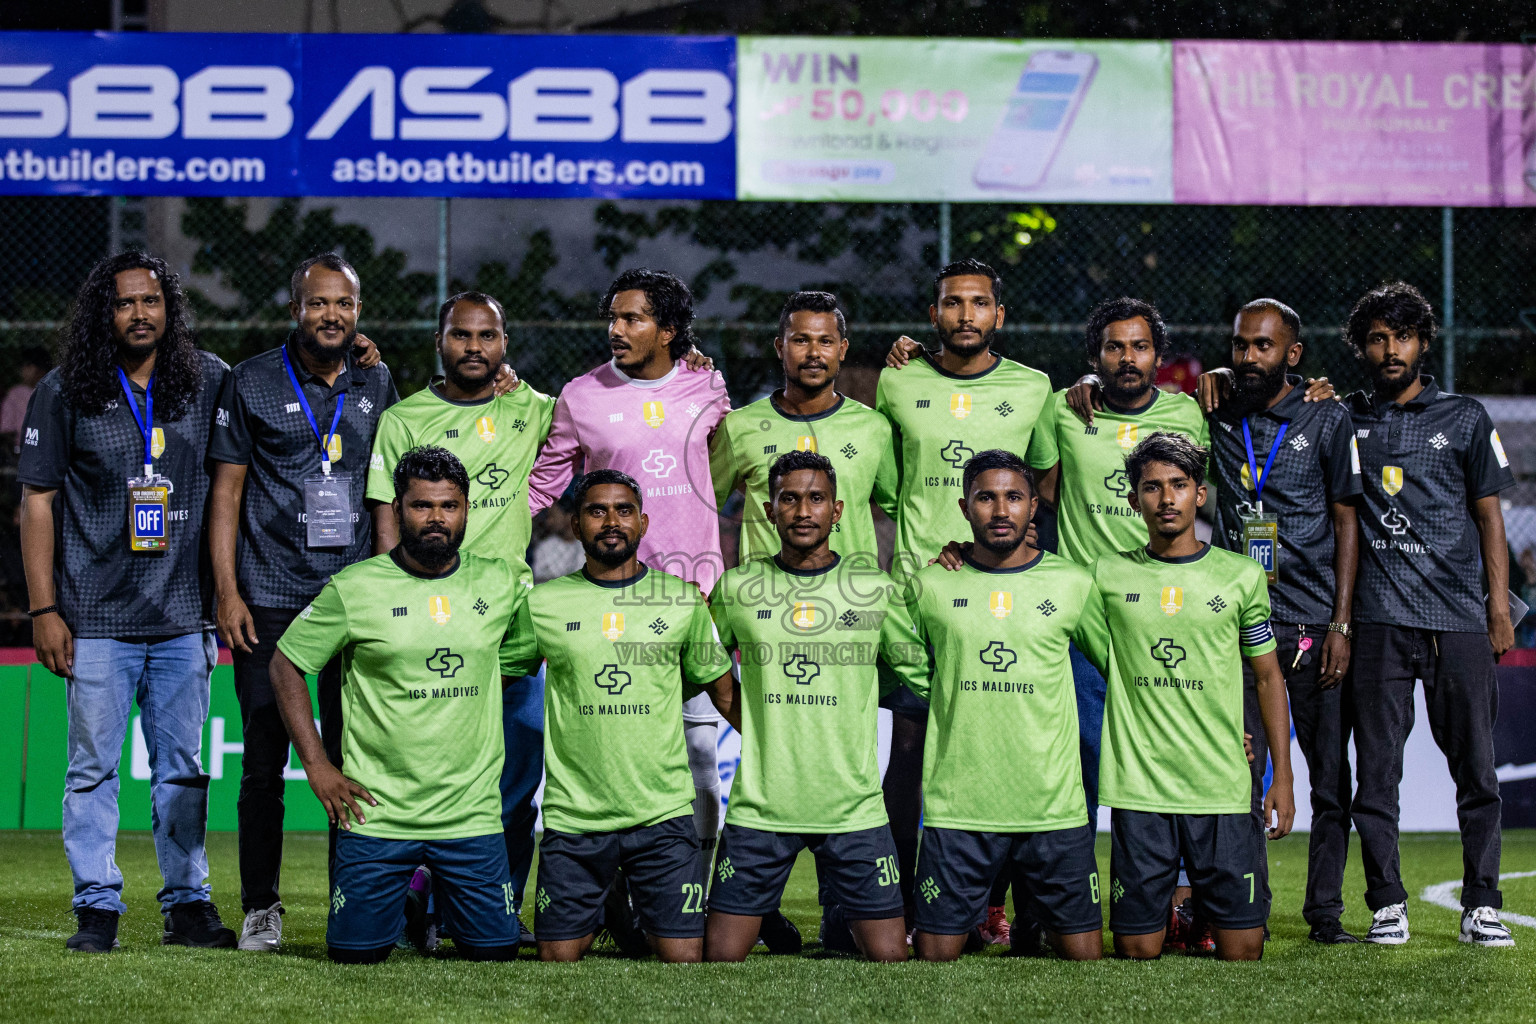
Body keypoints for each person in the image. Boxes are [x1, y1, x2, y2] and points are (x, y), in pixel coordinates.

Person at [18, 252, 235, 953]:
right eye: (123, 303)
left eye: (151, 301)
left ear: (169, 308)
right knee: (92, 769)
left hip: (182, 617)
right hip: (96, 619)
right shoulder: (64, 389)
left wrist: (357, 359)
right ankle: (96, 906)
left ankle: (189, 903)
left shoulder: (209, 382)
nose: (139, 313)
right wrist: (44, 610)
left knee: (182, 770)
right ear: (101, 314)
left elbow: (281, 385)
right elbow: (38, 502)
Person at [270, 445, 528, 964]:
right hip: (377, 813)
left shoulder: (502, 583)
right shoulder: (355, 589)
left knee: (495, 952)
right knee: (354, 955)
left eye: (449, 506)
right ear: (397, 508)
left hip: (470, 814)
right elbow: (285, 664)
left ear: (467, 510)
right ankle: (411, 897)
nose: (437, 518)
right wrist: (317, 766)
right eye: (421, 506)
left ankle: (428, 893)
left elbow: (517, 660)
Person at [209, 251, 399, 953]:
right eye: (319, 303)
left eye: (344, 305)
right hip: (267, 600)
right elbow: (225, 493)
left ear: (358, 311)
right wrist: (227, 593)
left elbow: (381, 489)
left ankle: (351, 903)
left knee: (356, 760)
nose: (332, 315)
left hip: (349, 605)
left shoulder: (376, 377)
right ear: (296, 308)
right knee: (265, 764)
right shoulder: (250, 380)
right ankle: (261, 906)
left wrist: (384, 587)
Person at [525, 269, 732, 898]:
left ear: (668, 331)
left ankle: (694, 896)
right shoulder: (580, 395)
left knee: (699, 755)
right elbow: (541, 484)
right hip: (610, 600)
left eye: (633, 319)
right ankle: (611, 898)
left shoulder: (708, 384)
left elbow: (729, 466)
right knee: (605, 747)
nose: (616, 330)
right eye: (612, 318)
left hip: (692, 599)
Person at [365, 291, 554, 938]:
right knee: (433, 779)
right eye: (461, 335)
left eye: (487, 336)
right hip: (432, 626)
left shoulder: (531, 409)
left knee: (516, 783)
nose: (474, 348)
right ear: (439, 341)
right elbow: (385, 532)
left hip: (512, 627)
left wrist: (695, 366)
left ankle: (493, 910)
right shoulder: (404, 419)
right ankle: (425, 901)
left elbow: (602, 417)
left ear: (505, 344)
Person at [877, 258, 1053, 934]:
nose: (966, 315)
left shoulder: (1033, 388)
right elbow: (890, 488)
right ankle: (895, 901)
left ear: (999, 316)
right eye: (953, 303)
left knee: (999, 750)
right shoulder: (899, 381)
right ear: (934, 315)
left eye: (980, 303)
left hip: (1001, 599)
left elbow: (1046, 487)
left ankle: (989, 904)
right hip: (919, 598)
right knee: (911, 753)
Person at [702, 450, 930, 963]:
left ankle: (832, 916)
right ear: (769, 510)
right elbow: (705, 663)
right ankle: (768, 916)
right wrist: (758, 726)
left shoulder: (873, 588)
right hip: (762, 806)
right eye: (789, 499)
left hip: (852, 807)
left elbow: (913, 674)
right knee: (718, 961)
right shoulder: (739, 587)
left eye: (816, 499)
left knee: (891, 958)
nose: (803, 511)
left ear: (838, 510)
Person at [1343, 282, 1516, 948]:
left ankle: (1482, 904)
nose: (1391, 350)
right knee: (1377, 772)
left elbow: (1490, 517)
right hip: (1381, 618)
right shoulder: (1345, 418)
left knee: (1475, 768)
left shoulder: (1466, 417)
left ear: (1423, 342)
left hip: (1459, 620)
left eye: (1403, 336)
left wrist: (1497, 607)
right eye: (1379, 338)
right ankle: (1388, 903)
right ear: (1364, 346)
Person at [500, 469, 733, 962]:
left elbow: (724, 694)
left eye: (624, 510)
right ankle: (607, 900)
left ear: (643, 523)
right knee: (557, 958)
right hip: (575, 819)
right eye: (597, 511)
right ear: (576, 525)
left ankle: (624, 909)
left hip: (663, 816)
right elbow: (494, 684)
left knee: (683, 958)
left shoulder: (682, 599)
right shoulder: (542, 604)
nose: (612, 521)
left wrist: (774, 752)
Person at [1193, 298, 1363, 944]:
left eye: (1264, 346)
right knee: (1241, 776)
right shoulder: (1215, 412)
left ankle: (1325, 914)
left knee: (1330, 779)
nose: (1249, 357)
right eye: (1240, 345)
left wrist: (1342, 624)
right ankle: (1249, 907)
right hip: (1239, 631)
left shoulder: (1326, 416)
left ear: (1293, 354)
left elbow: (1347, 522)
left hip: (1315, 624)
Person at [1092, 431, 1294, 961]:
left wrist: (1283, 777)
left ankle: (1195, 907)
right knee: (1136, 947)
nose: (1166, 499)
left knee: (1244, 950)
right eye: (1152, 488)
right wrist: (958, 552)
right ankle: (1178, 909)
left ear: (1199, 495)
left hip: (1223, 784)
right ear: (1134, 500)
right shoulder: (1105, 575)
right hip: (1142, 787)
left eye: (1179, 485)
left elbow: (1269, 677)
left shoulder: (1241, 576)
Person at [904, 449, 1107, 962]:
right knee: (934, 955)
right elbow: (905, 669)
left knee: (1084, 956)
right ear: (964, 507)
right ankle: (984, 920)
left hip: (1053, 808)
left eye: (1013, 497)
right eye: (985, 498)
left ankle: (1027, 922)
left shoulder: (1073, 584)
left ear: (1033, 507)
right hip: (959, 808)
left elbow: (1124, 672)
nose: (1000, 510)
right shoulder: (929, 587)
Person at [710, 290, 898, 564]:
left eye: (825, 341)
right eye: (801, 340)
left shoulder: (874, 428)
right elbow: (702, 507)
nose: (813, 353)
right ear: (779, 347)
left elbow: (903, 508)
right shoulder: (740, 426)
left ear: (842, 349)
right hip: (766, 597)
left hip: (850, 597)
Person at [2, 346, 49, 454]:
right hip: (21, 450)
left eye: (27, 366)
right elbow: (7, 430)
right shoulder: (15, 394)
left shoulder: (51, 392)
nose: (23, 370)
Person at [530, 498, 584, 584]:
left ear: (567, 516)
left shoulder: (586, 547)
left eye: (552, 516)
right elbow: (538, 581)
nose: (549, 522)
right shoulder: (545, 547)